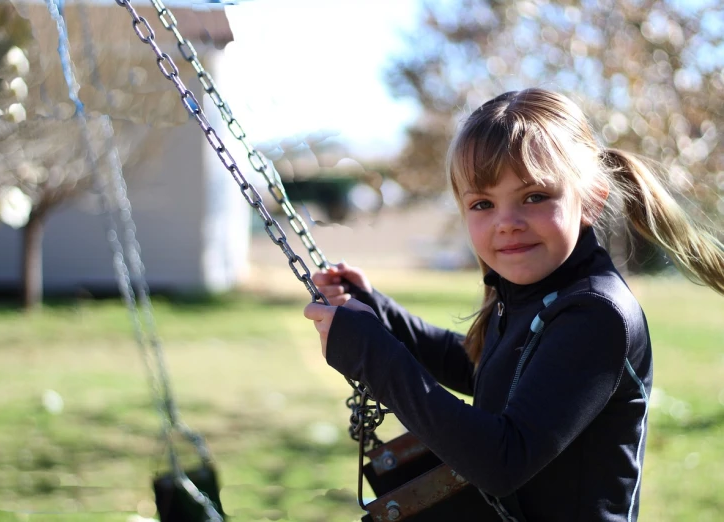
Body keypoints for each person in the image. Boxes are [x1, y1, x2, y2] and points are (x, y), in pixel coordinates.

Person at [303, 88, 724, 522]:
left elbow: (501, 461)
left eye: (535, 197)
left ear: (592, 199)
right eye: (483, 204)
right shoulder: (532, 293)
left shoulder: (596, 313)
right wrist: (382, 315)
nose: (507, 223)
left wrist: (373, 353)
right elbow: (486, 370)